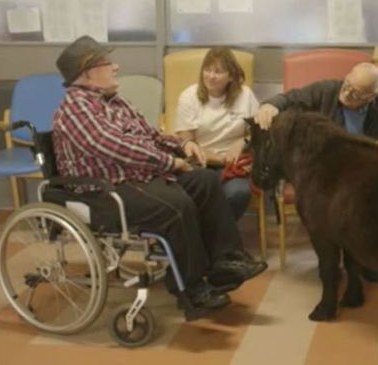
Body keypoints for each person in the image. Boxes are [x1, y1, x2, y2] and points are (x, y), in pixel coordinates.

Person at [52, 36, 267, 313]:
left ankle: (226, 261)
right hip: (102, 191)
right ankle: (190, 290)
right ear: (87, 74)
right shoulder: (76, 108)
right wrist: (169, 162)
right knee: (177, 206)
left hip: (135, 178)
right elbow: (113, 146)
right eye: (107, 63)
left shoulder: (115, 102)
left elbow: (151, 135)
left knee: (205, 181)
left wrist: (183, 144)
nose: (116, 67)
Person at [254, 62, 378, 281]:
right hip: (320, 168)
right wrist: (270, 105)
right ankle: (332, 263)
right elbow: (291, 98)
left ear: (370, 97)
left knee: (371, 200)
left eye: (356, 92)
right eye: (347, 84)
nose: (346, 93)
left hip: (357, 168)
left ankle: (365, 257)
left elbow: (374, 149)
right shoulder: (326, 90)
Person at [174, 47, 258, 221]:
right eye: (207, 70)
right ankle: (215, 238)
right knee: (192, 194)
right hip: (201, 162)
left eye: (218, 72)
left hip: (235, 165)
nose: (211, 76)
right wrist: (221, 159)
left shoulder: (245, 95)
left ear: (231, 76)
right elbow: (187, 142)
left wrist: (243, 142)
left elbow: (258, 132)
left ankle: (217, 237)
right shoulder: (189, 96)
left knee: (239, 193)